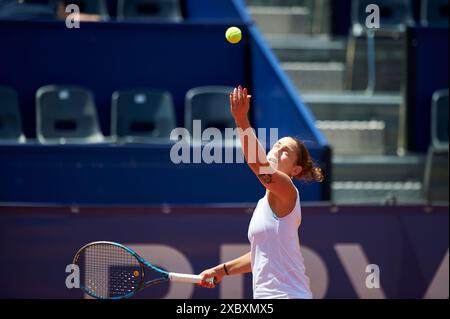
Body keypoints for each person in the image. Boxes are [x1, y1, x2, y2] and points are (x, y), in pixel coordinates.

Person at [199, 85, 323, 299]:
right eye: (276, 145)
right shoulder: (263, 204)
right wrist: (222, 270)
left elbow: (258, 165)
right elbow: (262, 254)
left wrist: (241, 120)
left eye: (286, 151)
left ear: (295, 170)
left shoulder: (287, 190)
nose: (277, 150)